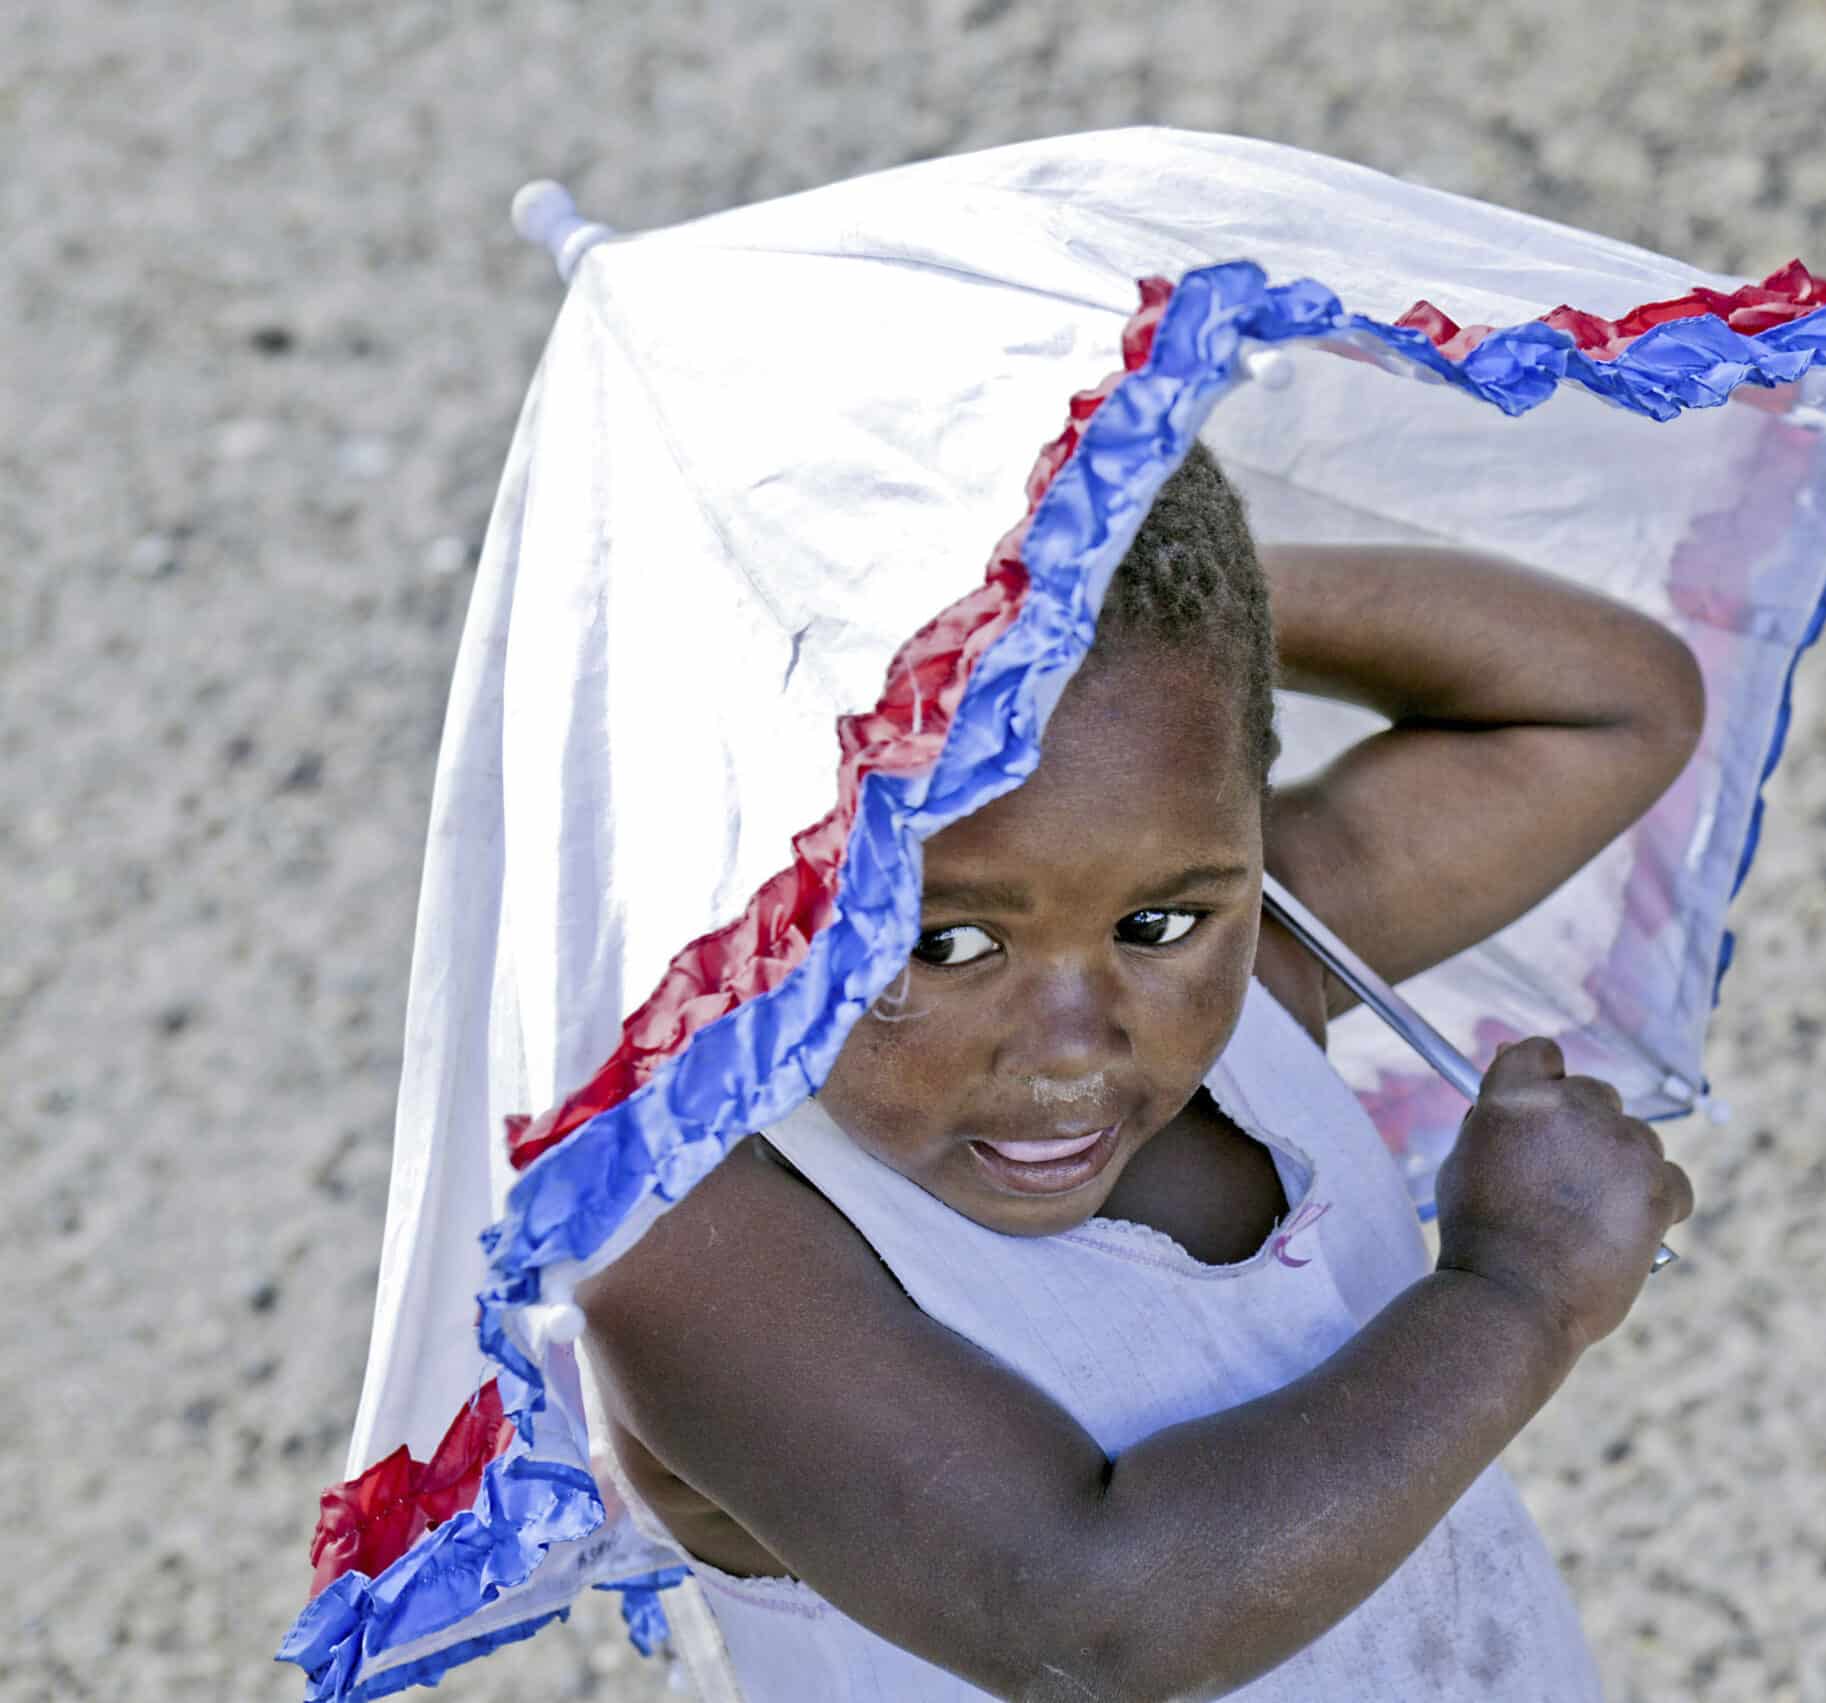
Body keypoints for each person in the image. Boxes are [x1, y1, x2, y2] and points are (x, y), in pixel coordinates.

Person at [574, 442, 1704, 1699]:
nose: (1072, 1040)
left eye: (1160, 923)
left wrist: (1145, 591)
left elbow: (1609, 701)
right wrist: (1517, 1296)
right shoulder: (694, 1239)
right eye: (946, 944)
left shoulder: (1266, 973)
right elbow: (1099, 1626)